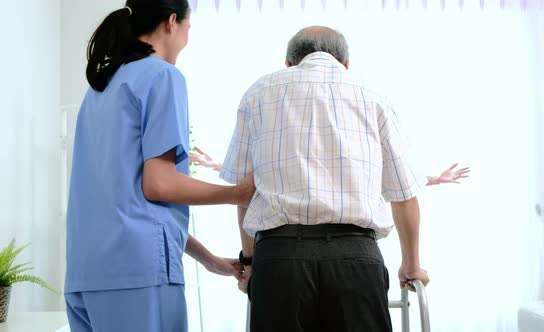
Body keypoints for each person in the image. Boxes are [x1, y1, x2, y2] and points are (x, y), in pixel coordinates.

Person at [220, 25, 431, 332]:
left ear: (289, 64)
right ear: (345, 64)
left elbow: (244, 192)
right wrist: (411, 263)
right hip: (355, 257)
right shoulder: (373, 96)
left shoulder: (259, 93)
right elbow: (403, 194)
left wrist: (250, 261)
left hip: (279, 258)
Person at [64, 2, 253, 331]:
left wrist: (208, 260)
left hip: (86, 275)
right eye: (188, 29)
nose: (186, 39)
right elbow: (159, 184)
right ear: (171, 23)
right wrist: (241, 192)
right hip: (137, 275)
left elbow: (132, 199)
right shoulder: (163, 76)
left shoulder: (101, 88)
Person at [191, 146, 470, 185]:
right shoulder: (293, 154)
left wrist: (436, 179)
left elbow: (395, 180)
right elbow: (256, 172)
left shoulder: (355, 157)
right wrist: (216, 164)